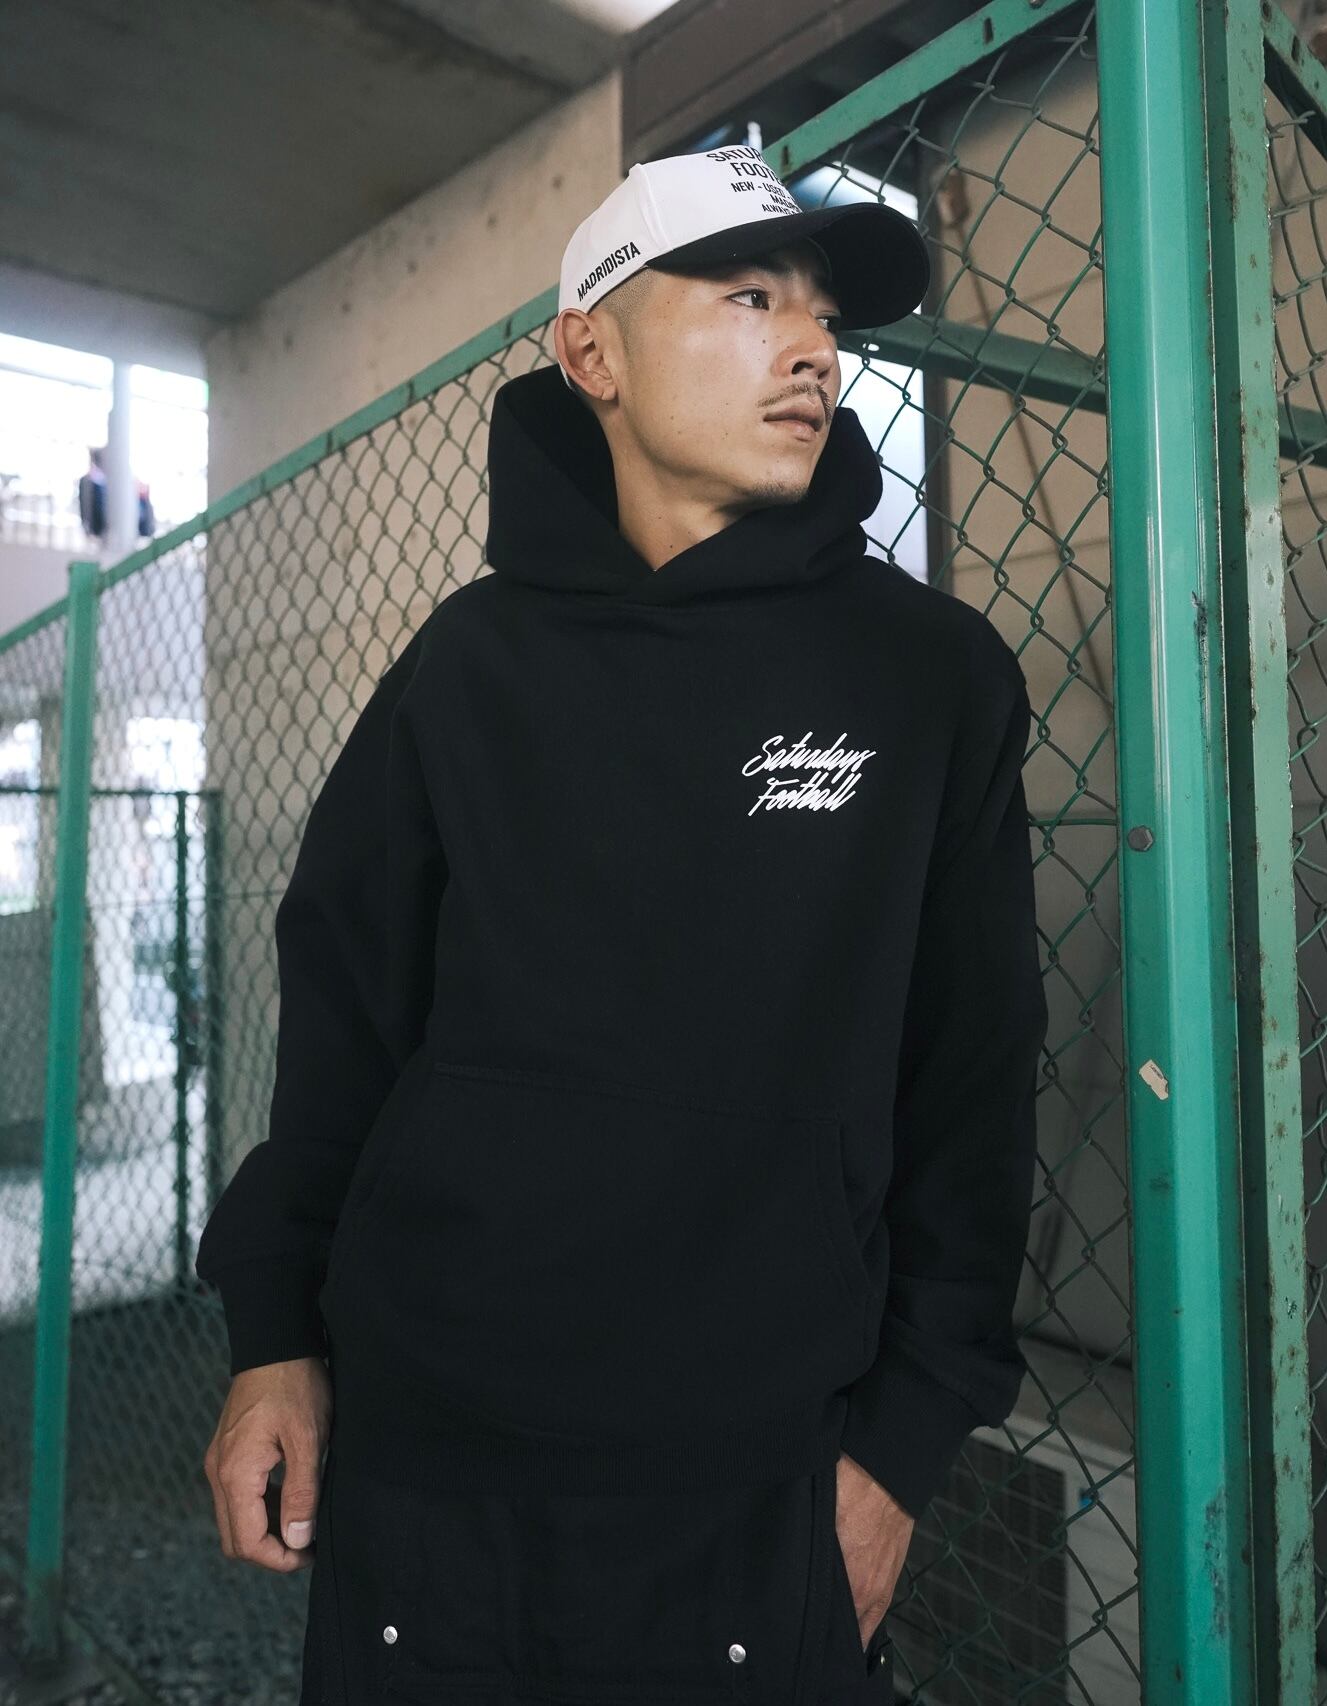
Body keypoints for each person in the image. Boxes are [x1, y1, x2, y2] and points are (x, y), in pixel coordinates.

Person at [195, 144, 1049, 1705]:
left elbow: (973, 1089)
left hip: (750, 1490)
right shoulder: (462, 671)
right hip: (422, 1468)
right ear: (590, 350)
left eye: (823, 313)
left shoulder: (928, 678)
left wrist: (898, 1454)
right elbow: (341, 1045)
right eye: (747, 298)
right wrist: (274, 1337)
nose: (813, 348)